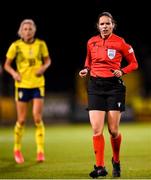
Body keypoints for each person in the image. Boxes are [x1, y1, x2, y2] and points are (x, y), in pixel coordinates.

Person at [79, 12, 138, 178]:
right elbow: (89, 60)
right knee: (97, 129)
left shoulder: (121, 43)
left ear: (113, 25)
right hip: (95, 86)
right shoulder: (91, 42)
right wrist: (86, 69)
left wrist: (122, 71)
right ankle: (100, 167)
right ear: (98, 26)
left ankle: (116, 161)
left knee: (113, 130)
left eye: (107, 24)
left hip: (114, 87)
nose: (104, 26)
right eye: (102, 24)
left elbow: (134, 63)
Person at [4, 19, 51, 164]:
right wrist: (14, 74)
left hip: (37, 84)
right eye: (25, 29)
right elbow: (6, 65)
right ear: (21, 31)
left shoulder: (41, 44)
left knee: (37, 118)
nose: (28, 31)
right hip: (22, 85)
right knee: (22, 120)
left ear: (34, 30)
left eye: (30, 28)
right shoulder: (16, 46)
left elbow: (48, 60)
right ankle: (17, 150)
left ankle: (40, 151)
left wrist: (43, 67)